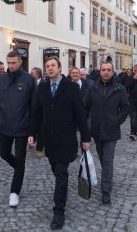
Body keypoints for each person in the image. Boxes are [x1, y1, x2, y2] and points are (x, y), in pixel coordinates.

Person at [29, 56, 90, 230]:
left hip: (66, 138)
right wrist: (31, 133)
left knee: (61, 173)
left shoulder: (71, 87)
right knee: (55, 169)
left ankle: (59, 211)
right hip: (49, 139)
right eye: (47, 66)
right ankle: (61, 190)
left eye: (53, 65)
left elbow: (80, 114)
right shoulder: (41, 87)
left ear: (60, 67)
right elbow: (36, 113)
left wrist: (85, 138)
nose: (50, 68)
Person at [0, 51, 35, 207]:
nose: (10, 66)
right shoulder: (1, 79)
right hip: (5, 124)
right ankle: (20, 169)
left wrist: (32, 131)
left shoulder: (29, 79)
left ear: (20, 62)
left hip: (23, 126)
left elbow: (33, 106)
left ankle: (14, 192)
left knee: (20, 157)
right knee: (4, 154)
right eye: (8, 63)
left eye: (13, 63)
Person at [84, 61, 129, 205]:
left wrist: (116, 121)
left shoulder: (119, 88)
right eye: (103, 69)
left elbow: (125, 108)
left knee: (108, 160)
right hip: (96, 130)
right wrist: (87, 125)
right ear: (100, 71)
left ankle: (106, 191)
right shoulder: (93, 88)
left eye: (109, 70)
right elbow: (85, 108)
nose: (106, 72)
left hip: (111, 130)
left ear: (113, 71)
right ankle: (107, 178)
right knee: (103, 158)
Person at [31, 67, 45, 158]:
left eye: (32, 73)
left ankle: (39, 149)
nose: (30, 74)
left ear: (37, 74)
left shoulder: (44, 83)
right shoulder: (30, 83)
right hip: (32, 110)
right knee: (33, 127)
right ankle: (33, 139)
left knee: (41, 130)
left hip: (42, 111)